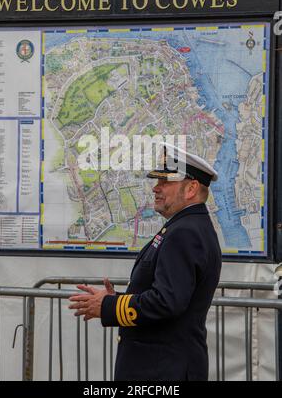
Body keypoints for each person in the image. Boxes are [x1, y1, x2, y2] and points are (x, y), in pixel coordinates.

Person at [69, 144, 222, 381]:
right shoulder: (186, 227)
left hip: (163, 370)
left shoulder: (185, 232)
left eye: (165, 182)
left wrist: (110, 307)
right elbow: (169, 295)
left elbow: (166, 303)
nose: (156, 188)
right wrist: (117, 300)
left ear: (191, 188)